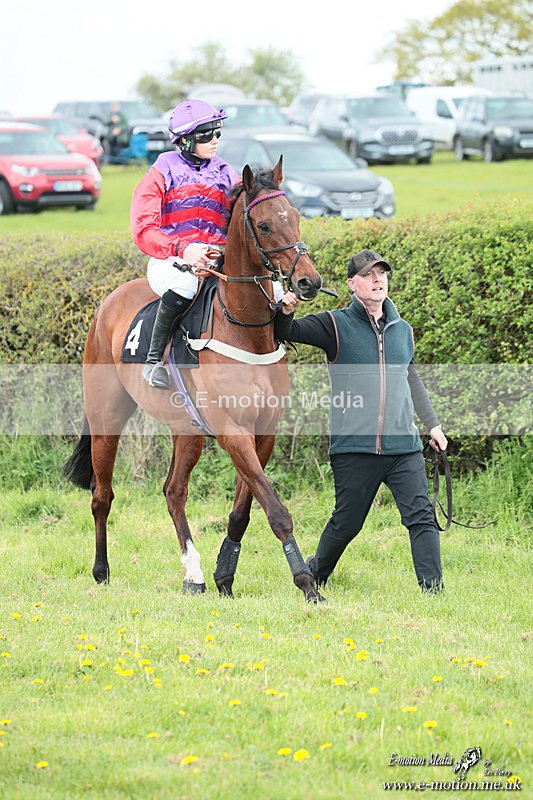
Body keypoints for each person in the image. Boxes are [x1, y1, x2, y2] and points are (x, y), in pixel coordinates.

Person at [275, 249, 448, 593]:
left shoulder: (403, 330)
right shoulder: (334, 324)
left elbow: (411, 378)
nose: (377, 279)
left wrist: (433, 426)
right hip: (354, 448)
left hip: (404, 447)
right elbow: (286, 331)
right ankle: (316, 574)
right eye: (368, 275)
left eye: (381, 273)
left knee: (421, 517)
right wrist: (285, 308)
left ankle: (433, 590)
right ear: (352, 284)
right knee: (347, 523)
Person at [130, 99, 238, 389]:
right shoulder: (162, 169)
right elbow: (143, 228)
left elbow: (244, 212)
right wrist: (183, 249)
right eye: (205, 135)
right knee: (185, 287)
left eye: (217, 133)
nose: (214, 141)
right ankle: (153, 363)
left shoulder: (226, 172)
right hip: (170, 259)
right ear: (186, 141)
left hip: (217, 260)